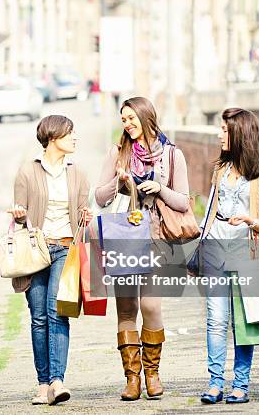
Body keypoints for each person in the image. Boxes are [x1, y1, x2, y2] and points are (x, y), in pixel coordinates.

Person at [94, 97, 191, 401]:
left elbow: (185, 202)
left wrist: (160, 188)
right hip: (123, 235)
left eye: (132, 118)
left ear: (147, 117)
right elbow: (99, 195)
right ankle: (132, 378)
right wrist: (119, 182)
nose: (127, 125)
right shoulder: (118, 151)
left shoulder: (173, 156)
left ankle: (153, 372)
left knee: (151, 306)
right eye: (123, 120)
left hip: (156, 238)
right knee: (126, 309)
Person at [198, 107, 259, 405]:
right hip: (216, 250)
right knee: (215, 320)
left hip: (248, 253)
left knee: (243, 323)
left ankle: (241, 384)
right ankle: (215, 382)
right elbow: (210, 210)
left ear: (240, 134)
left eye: (224, 130)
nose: (219, 134)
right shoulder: (220, 169)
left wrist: (250, 220)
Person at [7, 115, 92, 406]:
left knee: (57, 311)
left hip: (65, 250)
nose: (75, 138)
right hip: (36, 251)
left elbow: (83, 212)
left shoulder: (78, 173)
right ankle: (42, 384)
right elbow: (21, 215)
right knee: (39, 317)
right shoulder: (27, 173)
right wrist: (19, 215)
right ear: (53, 138)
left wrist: (86, 216)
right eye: (70, 134)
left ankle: (58, 380)